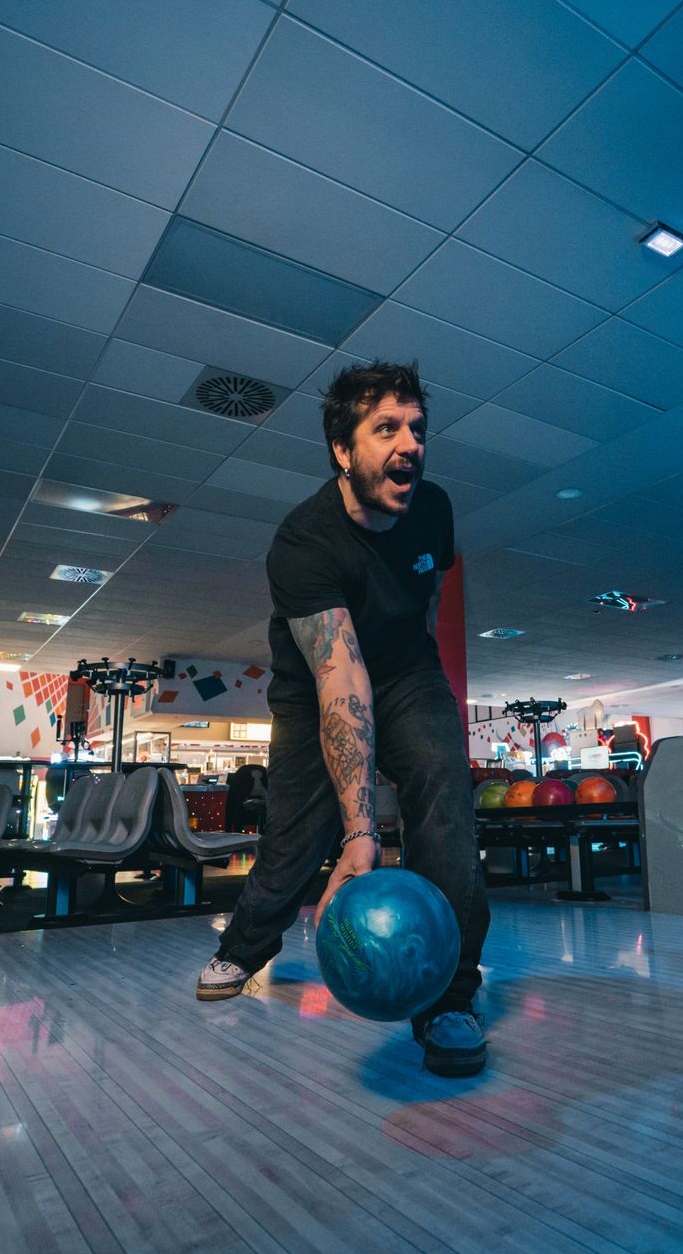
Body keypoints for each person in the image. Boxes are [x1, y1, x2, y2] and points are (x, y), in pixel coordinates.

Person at [195, 359, 489, 1077]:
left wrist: (413, 680)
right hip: (316, 685)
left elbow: (428, 597)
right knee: (298, 834)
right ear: (342, 449)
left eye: (417, 428)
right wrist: (360, 830)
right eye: (385, 428)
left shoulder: (435, 508)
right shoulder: (304, 543)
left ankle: (449, 997)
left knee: (444, 788)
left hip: (406, 670)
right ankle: (244, 948)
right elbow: (339, 675)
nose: (409, 444)